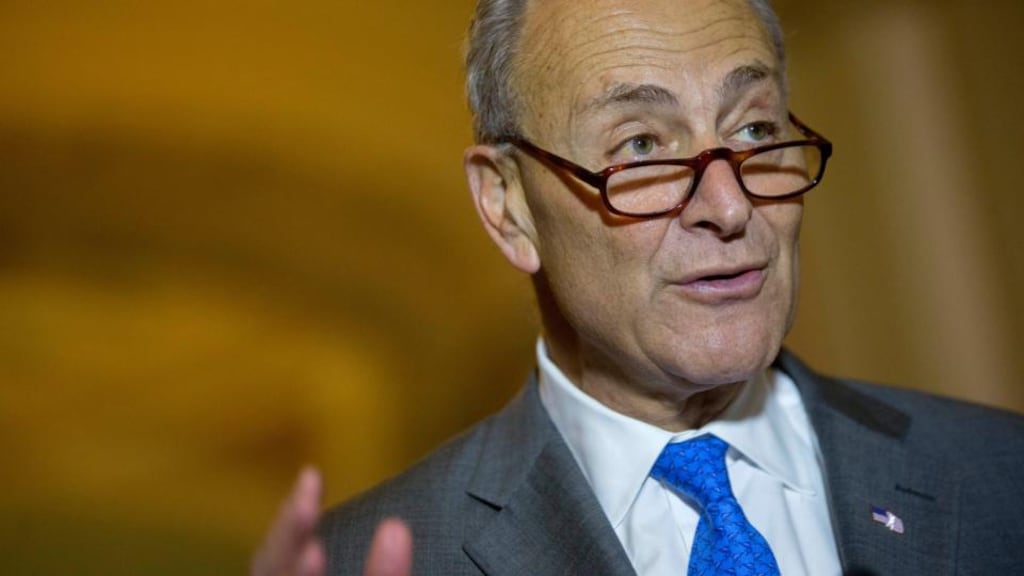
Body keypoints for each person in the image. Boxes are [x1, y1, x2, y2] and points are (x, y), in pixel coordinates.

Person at [251, 0, 1024, 574]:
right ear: (508, 206)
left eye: (754, 130)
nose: (729, 206)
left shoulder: (1000, 477)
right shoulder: (380, 556)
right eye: (643, 146)